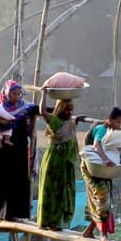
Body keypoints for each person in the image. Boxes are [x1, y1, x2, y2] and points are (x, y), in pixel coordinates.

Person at [0, 80, 39, 220]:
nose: (17, 96)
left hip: (17, 150)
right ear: (6, 93)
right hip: (0, 149)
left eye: (19, 94)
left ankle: (12, 214)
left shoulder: (25, 107)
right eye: (13, 93)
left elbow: (42, 109)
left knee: (16, 181)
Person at [80, 107, 121, 241]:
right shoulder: (101, 130)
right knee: (102, 198)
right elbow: (97, 146)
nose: (119, 125)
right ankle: (103, 234)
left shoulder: (112, 131)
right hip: (93, 169)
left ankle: (89, 231)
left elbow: (115, 147)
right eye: (118, 122)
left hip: (103, 170)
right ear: (109, 120)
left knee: (104, 200)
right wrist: (105, 159)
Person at [35, 89, 81, 230]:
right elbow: (42, 111)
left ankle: (57, 222)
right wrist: (43, 94)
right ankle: (48, 221)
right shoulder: (55, 121)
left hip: (66, 164)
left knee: (64, 192)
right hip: (54, 161)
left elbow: (71, 133)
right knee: (51, 190)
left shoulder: (71, 122)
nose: (69, 112)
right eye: (67, 109)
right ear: (60, 109)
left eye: (71, 110)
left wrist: (77, 121)